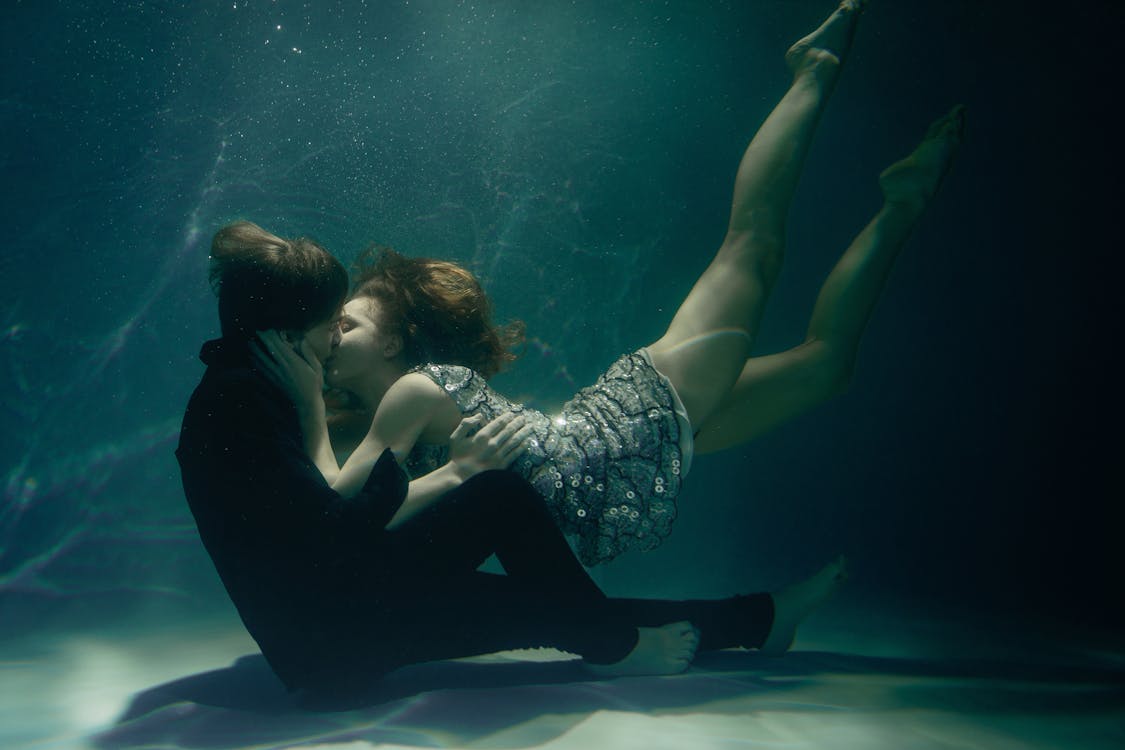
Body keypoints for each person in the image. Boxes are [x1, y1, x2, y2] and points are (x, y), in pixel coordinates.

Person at [258, 0, 965, 565]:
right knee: (826, 367)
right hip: (633, 453)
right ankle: (903, 203)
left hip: (629, 422)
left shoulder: (412, 395)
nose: (330, 333)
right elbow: (356, 516)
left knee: (751, 247)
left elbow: (340, 508)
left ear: (397, 342)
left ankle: (810, 68)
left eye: (347, 323)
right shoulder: (397, 415)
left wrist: (307, 404)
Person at [178, 221, 847, 702]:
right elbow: (332, 523)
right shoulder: (249, 401)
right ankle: (632, 645)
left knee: (534, 565)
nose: (334, 336)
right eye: (332, 320)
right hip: (337, 641)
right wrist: (450, 470)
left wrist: (316, 411)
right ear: (291, 326)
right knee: (535, 576)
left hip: (339, 610)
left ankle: (754, 620)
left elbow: (321, 524)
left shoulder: (254, 381)